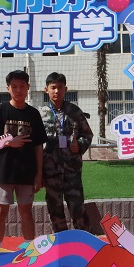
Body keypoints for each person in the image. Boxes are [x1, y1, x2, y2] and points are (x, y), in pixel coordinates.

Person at [0, 70, 48, 248]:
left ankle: (29, 249)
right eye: (14, 86)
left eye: (22, 86)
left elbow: (38, 146)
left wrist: (39, 175)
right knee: (0, 212)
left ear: (28, 87)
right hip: (3, 172)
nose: (18, 90)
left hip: (27, 173)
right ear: (8, 89)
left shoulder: (33, 114)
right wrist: (8, 142)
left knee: (26, 212)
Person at [39, 72, 94, 232]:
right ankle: (61, 242)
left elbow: (87, 135)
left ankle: (83, 241)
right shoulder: (40, 114)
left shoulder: (74, 111)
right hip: (50, 172)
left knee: (78, 209)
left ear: (65, 89)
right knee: (55, 210)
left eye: (60, 87)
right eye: (53, 87)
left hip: (72, 170)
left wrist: (80, 145)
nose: (57, 91)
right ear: (46, 90)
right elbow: (35, 144)